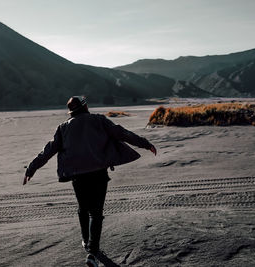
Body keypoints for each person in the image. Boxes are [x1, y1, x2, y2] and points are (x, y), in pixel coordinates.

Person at [23, 96, 156, 266]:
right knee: (96, 213)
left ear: (71, 111)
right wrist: (145, 143)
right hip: (99, 174)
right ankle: (92, 254)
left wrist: (31, 169)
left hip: (78, 176)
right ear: (85, 107)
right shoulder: (99, 120)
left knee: (83, 209)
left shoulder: (63, 128)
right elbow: (122, 133)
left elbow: (48, 151)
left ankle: (86, 241)